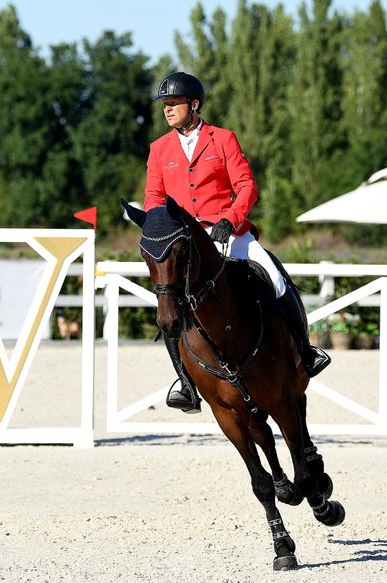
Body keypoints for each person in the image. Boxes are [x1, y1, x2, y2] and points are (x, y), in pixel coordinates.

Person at [143, 71, 330, 414]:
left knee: (274, 275)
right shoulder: (159, 149)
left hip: (226, 230)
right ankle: (185, 382)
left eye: (174, 103)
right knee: (170, 303)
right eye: (165, 105)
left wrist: (231, 219)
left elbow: (247, 186)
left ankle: (305, 351)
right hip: (187, 242)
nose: (167, 110)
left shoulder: (223, 139)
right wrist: (160, 227)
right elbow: (154, 196)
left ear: (194, 105)